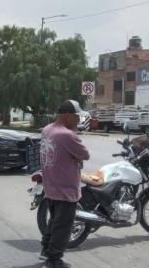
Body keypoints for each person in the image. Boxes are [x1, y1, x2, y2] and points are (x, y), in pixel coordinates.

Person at [39, 100, 90, 268]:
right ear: (67, 116)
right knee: (63, 228)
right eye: (77, 117)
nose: (78, 120)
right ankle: (54, 260)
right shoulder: (67, 135)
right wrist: (75, 157)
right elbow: (85, 154)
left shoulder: (47, 130)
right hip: (65, 189)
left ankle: (46, 250)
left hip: (51, 187)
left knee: (54, 222)